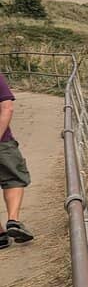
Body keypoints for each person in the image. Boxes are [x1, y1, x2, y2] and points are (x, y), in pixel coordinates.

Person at [0, 72, 33, 250]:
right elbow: (7, 108)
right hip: (2, 143)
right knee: (13, 179)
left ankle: (1, 236)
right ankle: (13, 221)